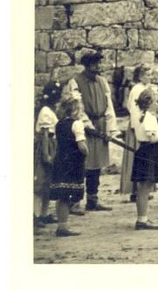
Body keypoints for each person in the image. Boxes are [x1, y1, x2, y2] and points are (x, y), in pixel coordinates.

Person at [63, 50, 119, 213]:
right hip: (83, 127)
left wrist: (110, 128)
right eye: (95, 64)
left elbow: (109, 106)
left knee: (97, 165)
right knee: (82, 164)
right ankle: (75, 201)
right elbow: (77, 107)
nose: (98, 67)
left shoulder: (102, 81)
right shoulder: (75, 82)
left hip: (101, 125)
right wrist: (88, 125)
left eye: (99, 63)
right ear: (87, 66)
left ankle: (93, 200)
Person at [129, 90, 158, 230]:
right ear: (150, 103)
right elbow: (153, 138)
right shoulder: (149, 117)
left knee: (143, 187)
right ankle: (142, 219)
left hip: (143, 150)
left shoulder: (137, 115)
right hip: (150, 152)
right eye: (155, 101)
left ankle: (142, 217)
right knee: (145, 187)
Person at [49, 95, 88, 237]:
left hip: (60, 160)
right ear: (76, 109)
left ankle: (61, 224)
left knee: (61, 194)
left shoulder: (59, 124)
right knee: (67, 194)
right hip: (73, 162)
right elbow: (81, 145)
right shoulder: (77, 124)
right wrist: (86, 152)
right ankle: (63, 227)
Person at [120, 64, 158, 201]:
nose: (150, 77)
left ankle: (143, 188)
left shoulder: (145, 88)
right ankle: (136, 190)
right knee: (137, 155)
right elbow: (134, 109)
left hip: (143, 123)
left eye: (150, 74)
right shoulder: (137, 89)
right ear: (140, 76)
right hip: (138, 125)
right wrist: (139, 126)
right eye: (147, 74)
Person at [34, 81, 64, 229]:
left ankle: (44, 214)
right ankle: (36, 214)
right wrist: (46, 154)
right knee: (40, 182)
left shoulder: (50, 110)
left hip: (53, 144)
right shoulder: (45, 111)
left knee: (48, 184)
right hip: (47, 145)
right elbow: (45, 135)